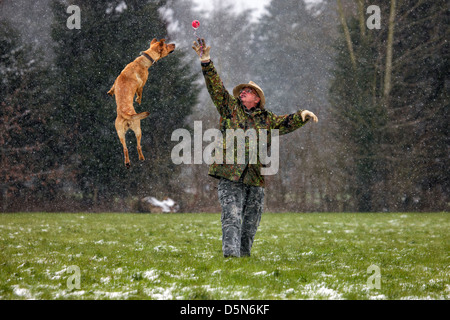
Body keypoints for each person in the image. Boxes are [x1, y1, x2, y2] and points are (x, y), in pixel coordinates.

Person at [192, 38, 318, 258]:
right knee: (231, 217)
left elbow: (286, 122)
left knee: (251, 221)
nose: (243, 92)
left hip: (255, 178)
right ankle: (231, 258)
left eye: (248, 91)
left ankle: (244, 257)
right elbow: (216, 87)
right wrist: (205, 61)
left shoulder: (267, 118)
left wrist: (302, 115)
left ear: (257, 99)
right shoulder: (229, 108)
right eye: (242, 90)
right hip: (229, 174)